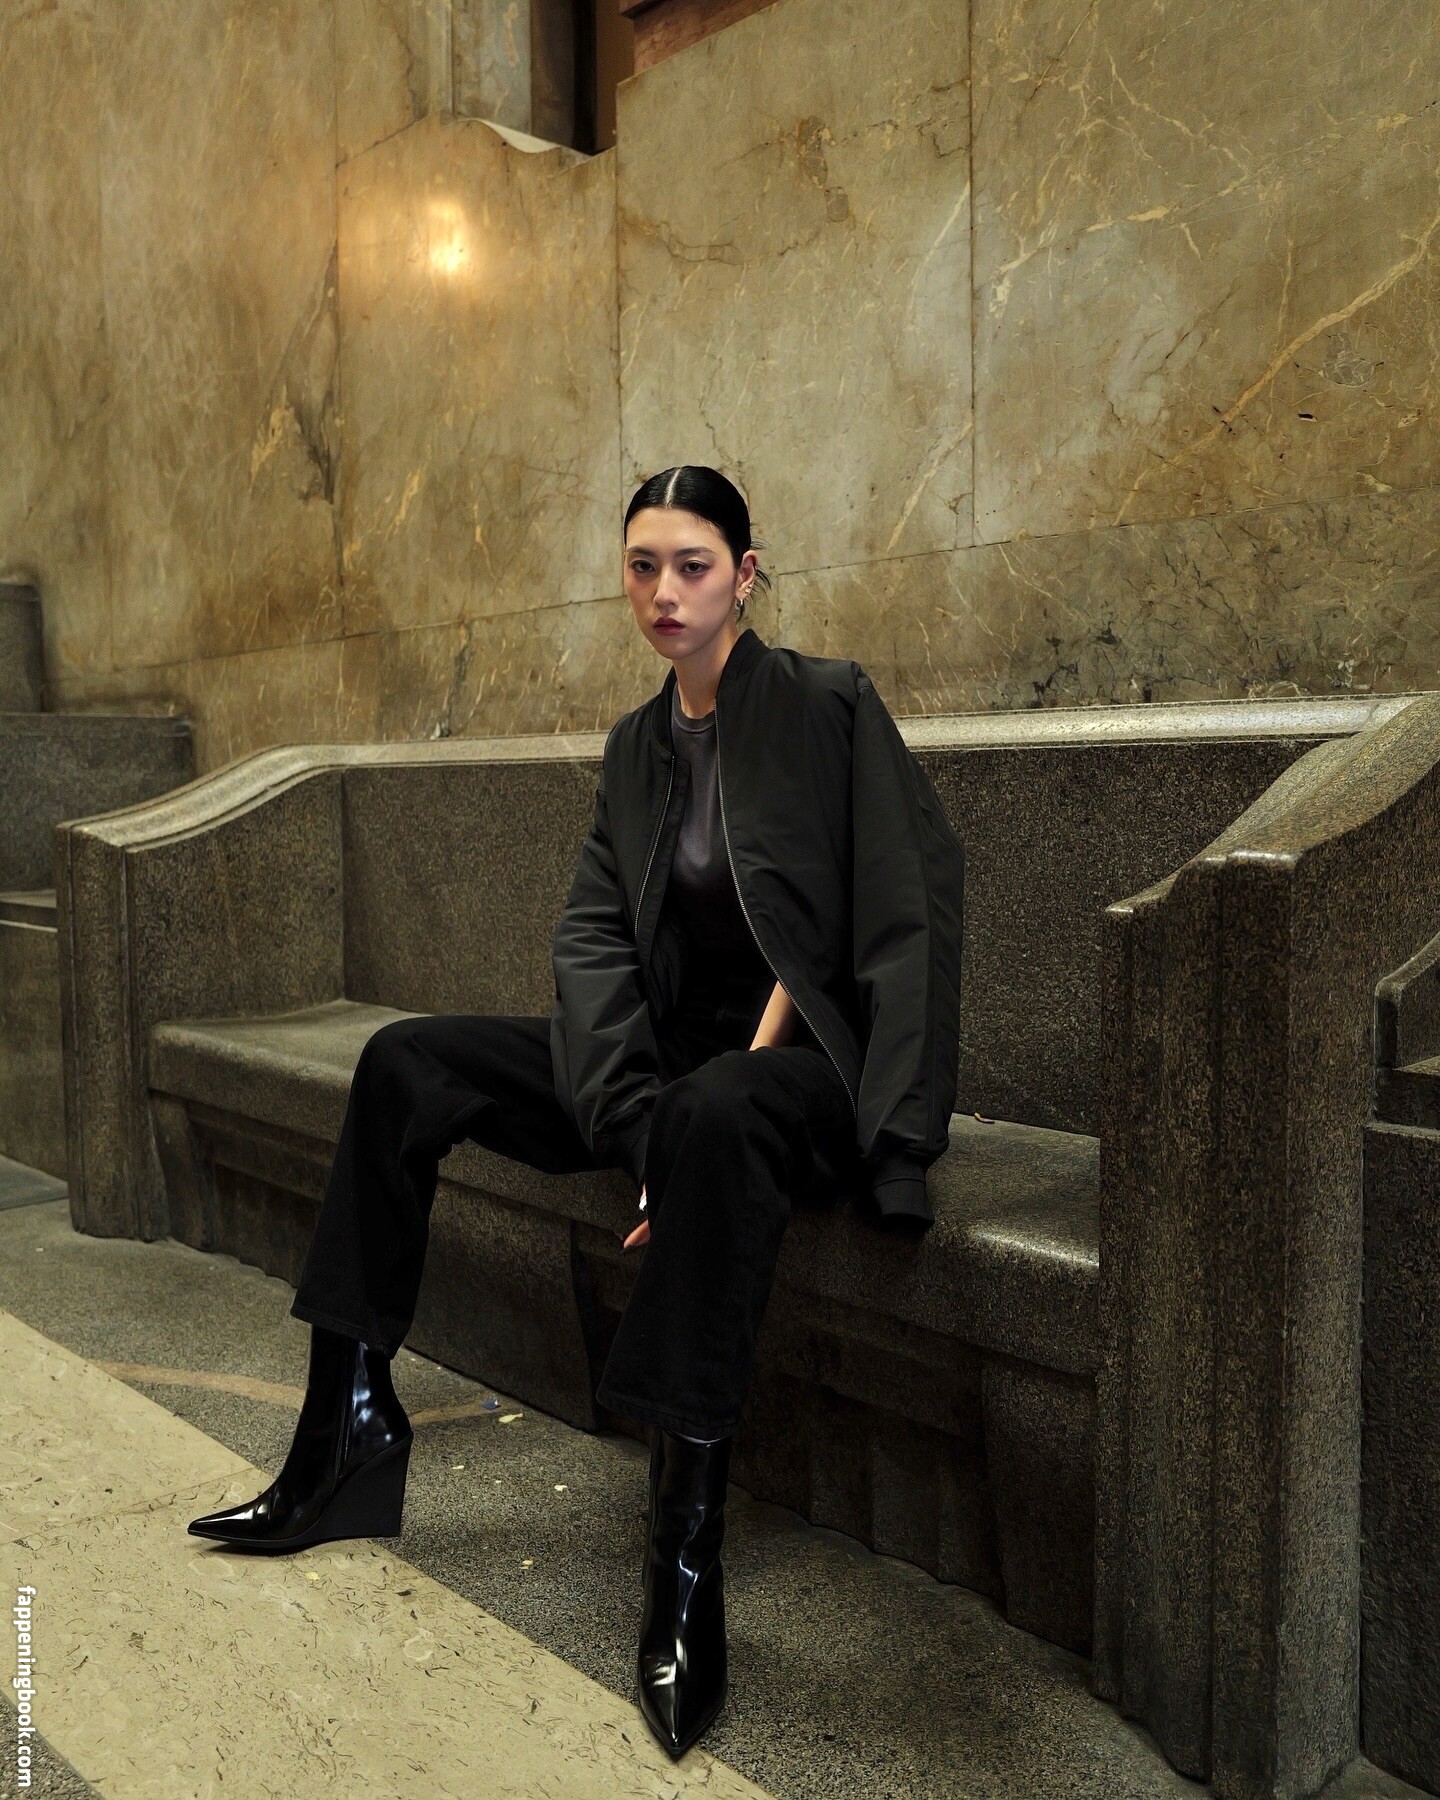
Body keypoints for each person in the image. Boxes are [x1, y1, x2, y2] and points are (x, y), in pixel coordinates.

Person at [188, 465, 966, 1761]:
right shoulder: (635, 747)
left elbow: (896, 906)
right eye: (643, 566)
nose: (666, 592)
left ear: (746, 575)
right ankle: (342, 1434)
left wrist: (894, 1144)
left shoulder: (828, 705)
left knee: (719, 1107)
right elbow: (595, 938)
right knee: (406, 1063)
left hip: (806, 1071)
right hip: (670, 1079)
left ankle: (684, 1560)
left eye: (694, 565)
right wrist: (636, 1118)